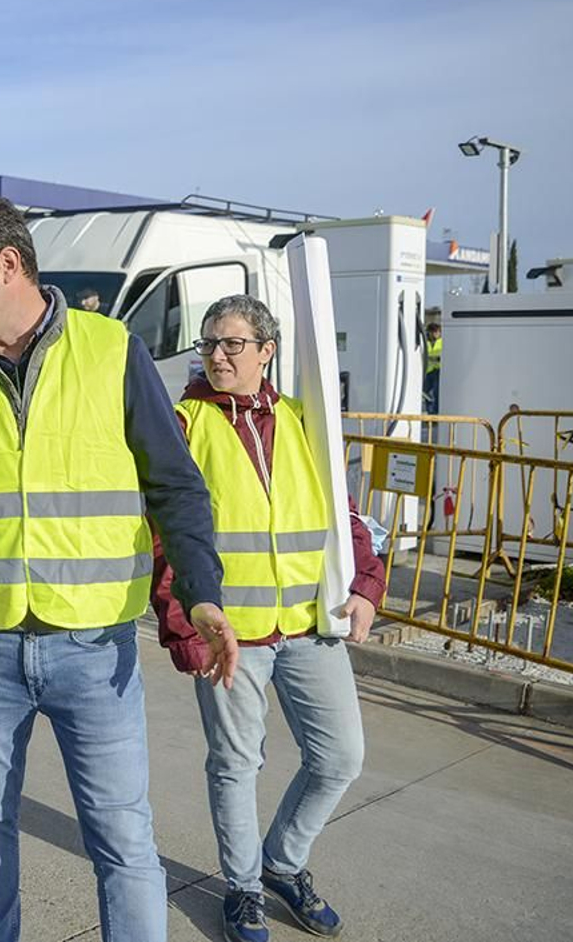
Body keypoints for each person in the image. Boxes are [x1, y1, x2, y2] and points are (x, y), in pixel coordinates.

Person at [0, 195, 237, 942]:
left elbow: (175, 486)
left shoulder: (111, 350)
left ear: (8, 264)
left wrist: (201, 595)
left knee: (122, 835)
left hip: (95, 648)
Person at [153, 295, 385, 942]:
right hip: (230, 633)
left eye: (232, 343)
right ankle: (244, 889)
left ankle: (281, 863)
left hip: (310, 624)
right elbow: (166, 536)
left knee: (340, 757)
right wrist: (184, 628)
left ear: (266, 351)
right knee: (235, 764)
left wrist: (366, 586)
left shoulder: (304, 419)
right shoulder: (185, 423)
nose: (217, 355)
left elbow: (343, 516)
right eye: (209, 343)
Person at [423, 321, 442, 414]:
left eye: (437, 332)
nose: (436, 334)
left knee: (436, 393)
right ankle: (429, 412)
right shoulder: (425, 342)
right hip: (428, 371)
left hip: (438, 370)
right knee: (425, 392)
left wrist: (438, 358)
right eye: (434, 332)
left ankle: (434, 413)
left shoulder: (442, 342)